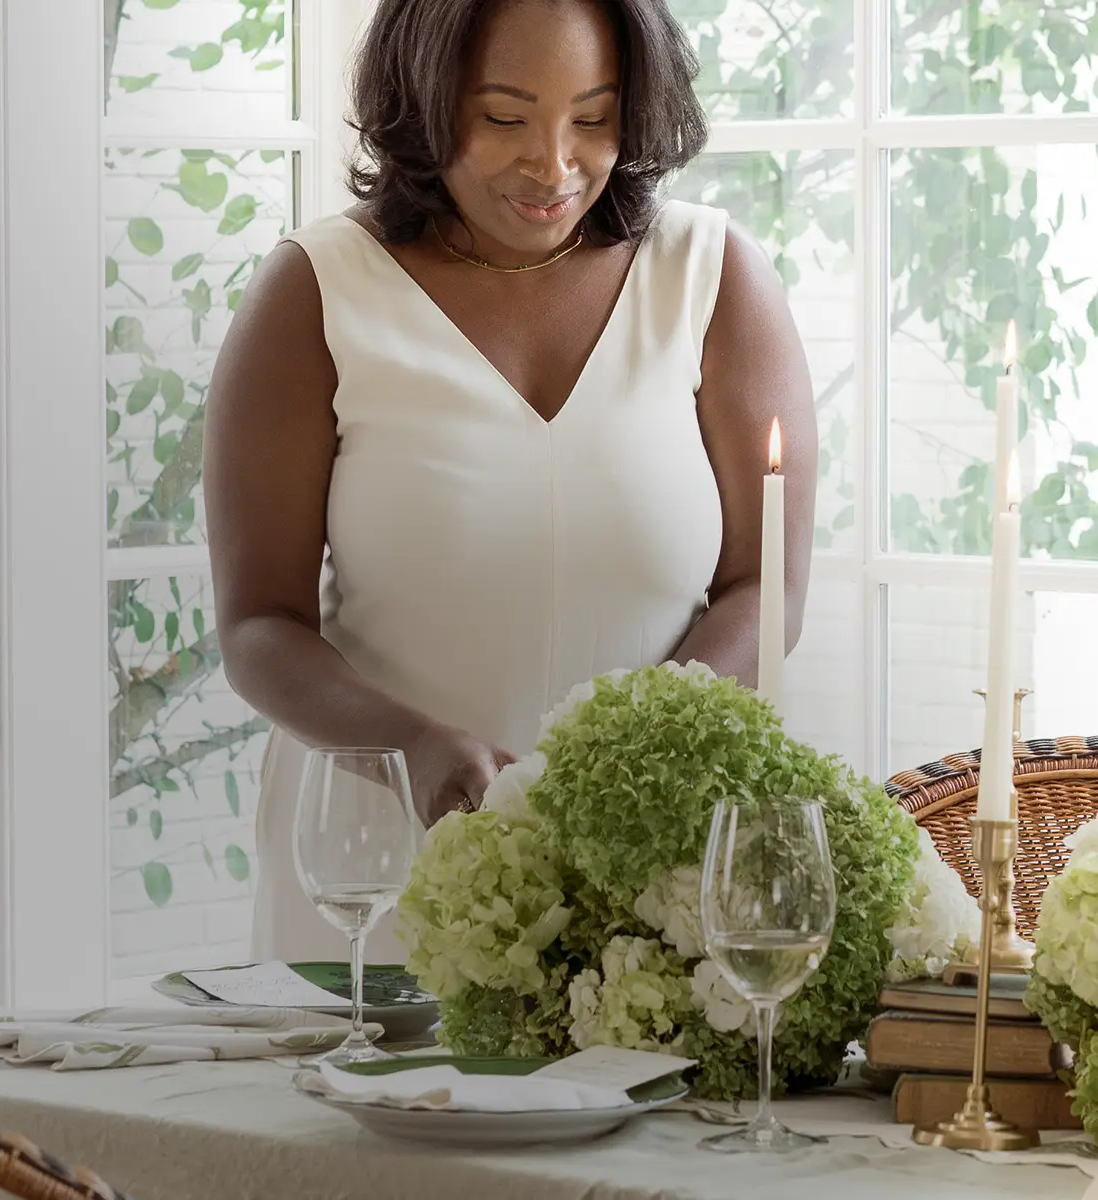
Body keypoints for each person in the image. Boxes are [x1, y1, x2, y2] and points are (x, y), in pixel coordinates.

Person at [204, 0, 816, 964]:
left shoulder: (711, 276)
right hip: (379, 868)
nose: (554, 163)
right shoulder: (318, 290)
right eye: (503, 117)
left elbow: (766, 585)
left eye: (594, 115)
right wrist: (412, 747)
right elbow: (257, 626)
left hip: (647, 866)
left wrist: (631, 763)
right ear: (425, 96)